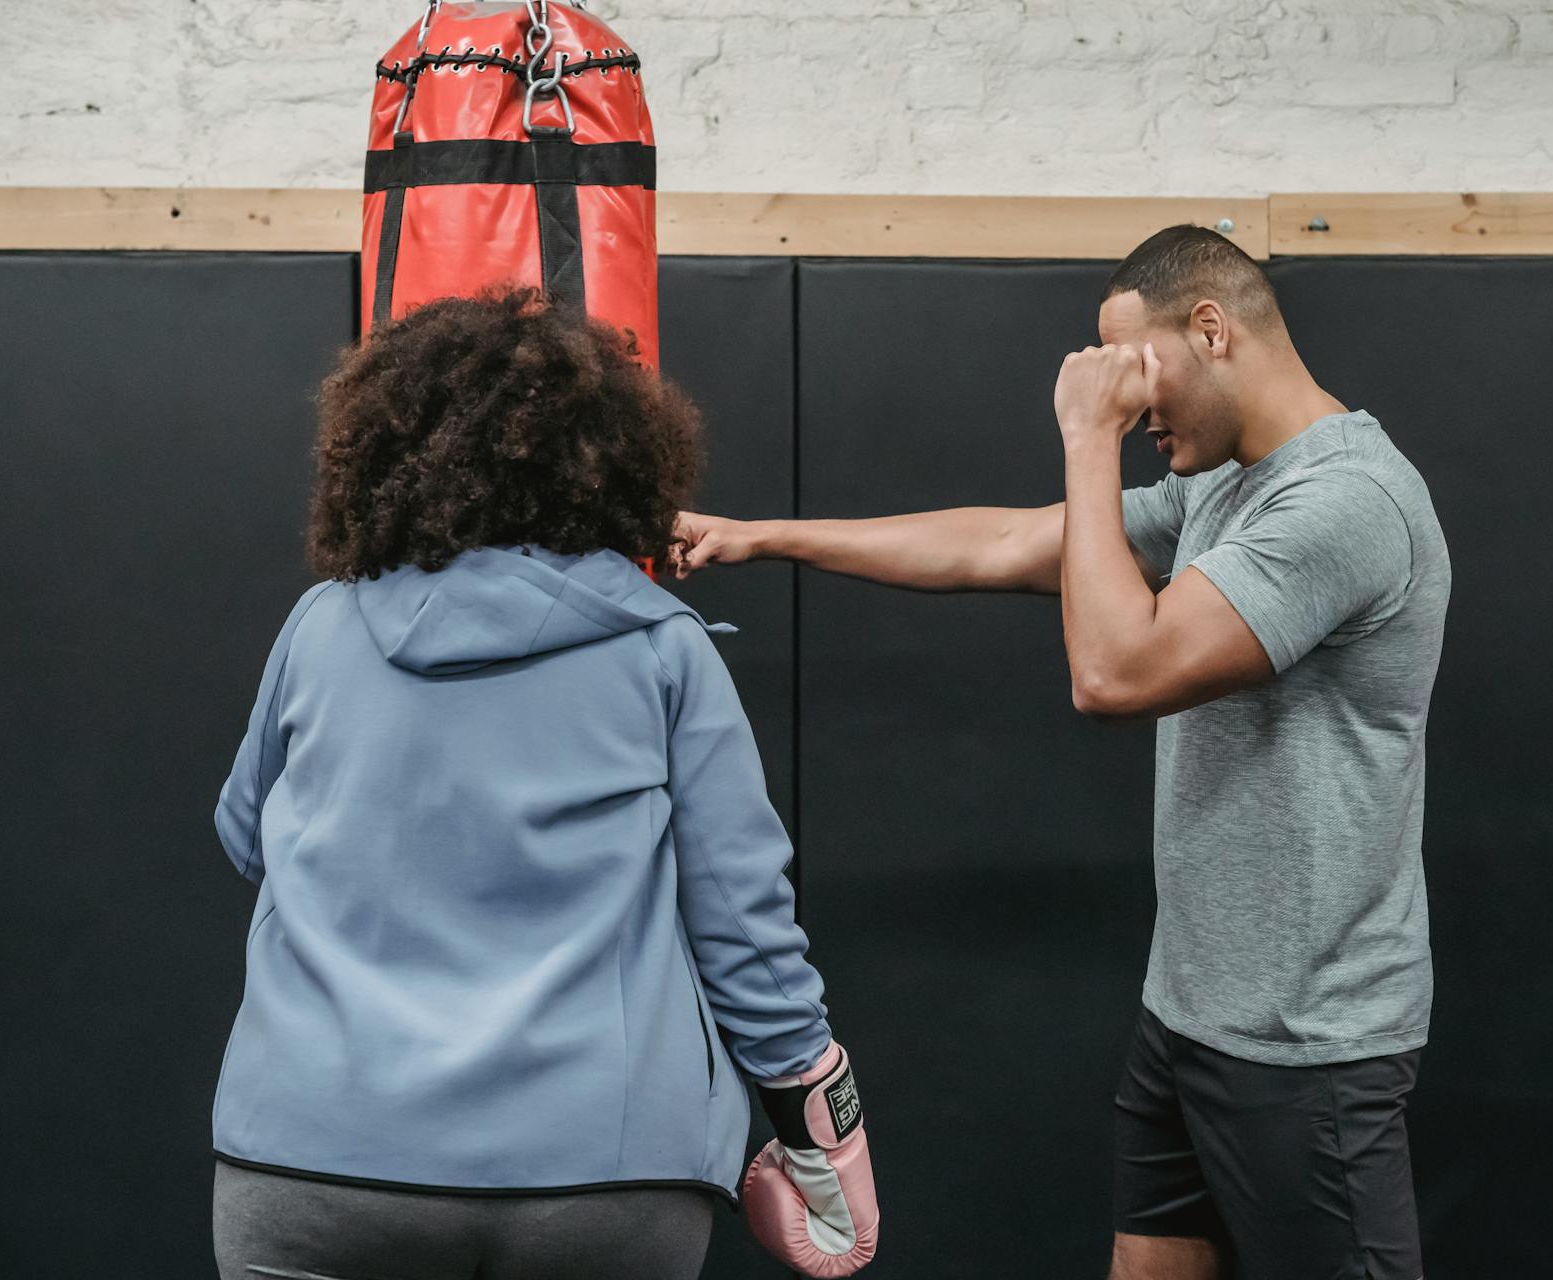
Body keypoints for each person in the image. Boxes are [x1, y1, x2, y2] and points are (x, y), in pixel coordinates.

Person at [673, 226, 1451, 1280]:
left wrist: (1089, 439)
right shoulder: (1228, 486)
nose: (1133, 405)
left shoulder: (1342, 502)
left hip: (1307, 1045)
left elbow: (1115, 673)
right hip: (1189, 1014)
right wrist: (766, 533)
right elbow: (1003, 543)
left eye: (1140, 366)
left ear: (1211, 329)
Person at [210, 290, 877, 1280]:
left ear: (382, 455)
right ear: (612, 467)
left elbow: (248, 836)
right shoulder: (663, 650)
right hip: (599, 1174)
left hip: (316, 1155)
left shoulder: (321, 625)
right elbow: (744, 929)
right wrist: (828, 1130)